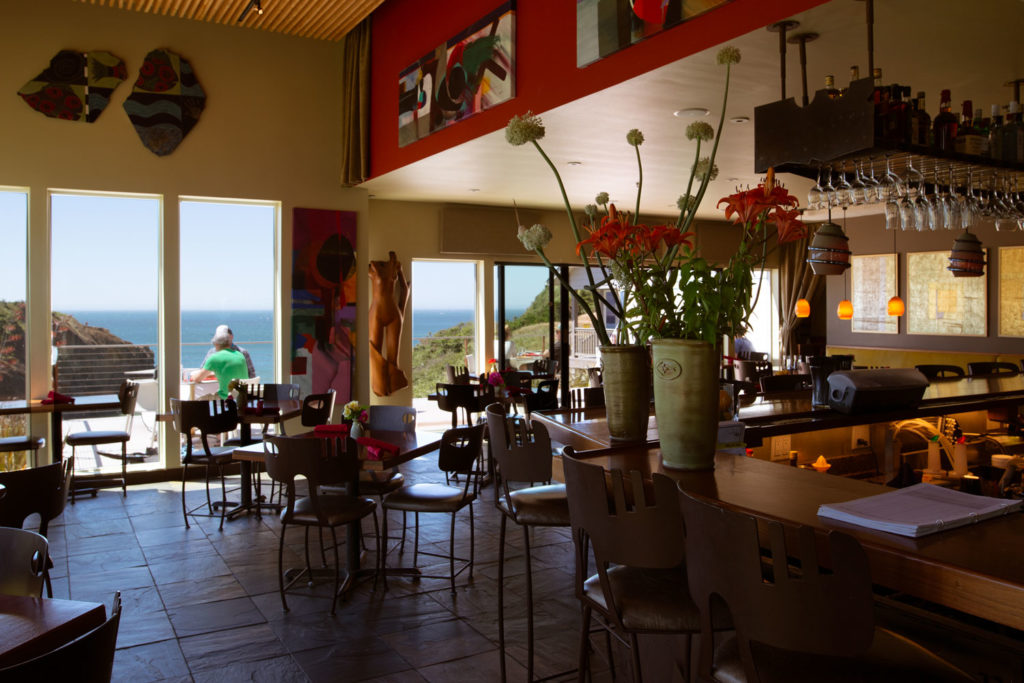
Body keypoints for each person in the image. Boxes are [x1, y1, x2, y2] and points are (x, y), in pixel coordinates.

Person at [193, 328, 249, 399]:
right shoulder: (240, 355)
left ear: (216, 344)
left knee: (199, 399)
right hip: (242, 397)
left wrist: (192, 376)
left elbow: (197, 379)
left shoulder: (214, 358)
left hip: (226, 397)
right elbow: (230, 373)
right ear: (229, 343)